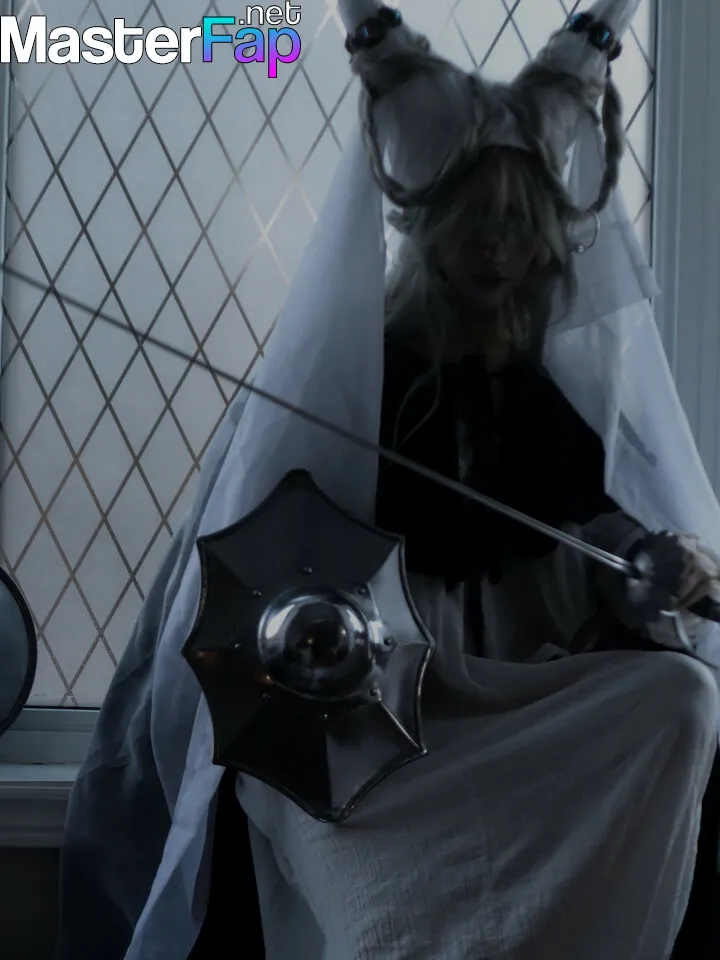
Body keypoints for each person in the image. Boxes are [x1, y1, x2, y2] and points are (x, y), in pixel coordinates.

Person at [56, 2, 720, 958]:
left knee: (682, 698)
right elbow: (278, 564)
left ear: (543, 240)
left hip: (515, 701)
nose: (495, 249)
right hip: (379, 709)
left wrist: (661, 563)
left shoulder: (549, 394)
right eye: (475, 223)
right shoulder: (361, 381)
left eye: (517, 226)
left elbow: (598, 526)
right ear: (431, 225)